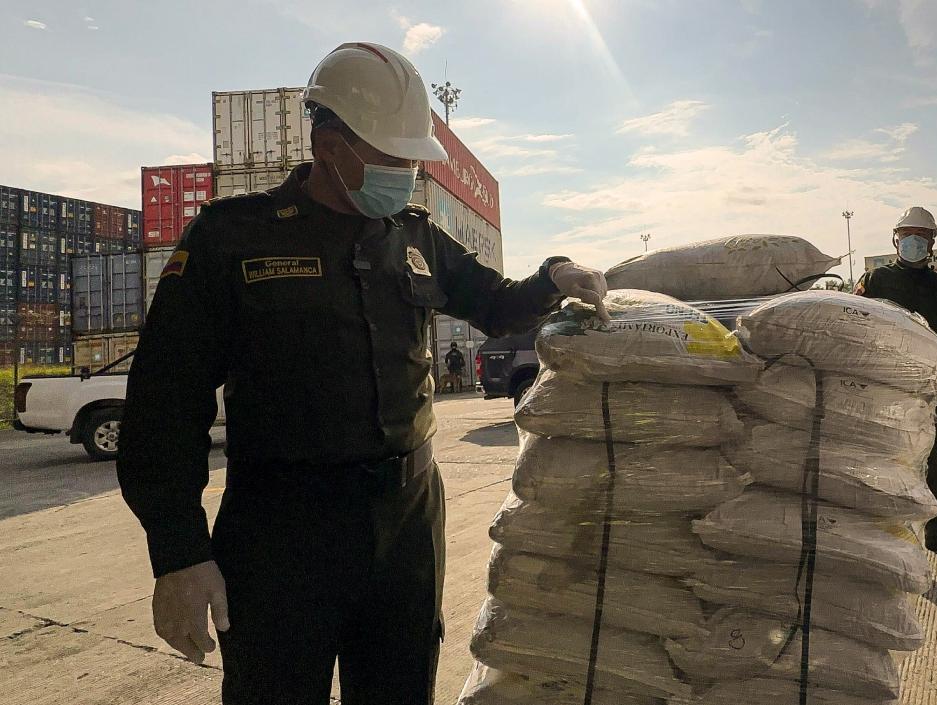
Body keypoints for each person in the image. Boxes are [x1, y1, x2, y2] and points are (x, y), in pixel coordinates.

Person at [116, 42, 609, 705]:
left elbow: (495, 302)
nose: (408, 171)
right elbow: (162, 402)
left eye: (412, 157)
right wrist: (178, 551)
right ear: (330, 144)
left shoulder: (413, 235)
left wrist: (556, 276)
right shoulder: (232, 239)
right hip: (282, 532)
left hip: (406, 523)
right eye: (393, 156)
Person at [855, 206, 937, 564]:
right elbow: (855, 327)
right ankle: (881, 534)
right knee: (880, 460)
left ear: (932, 243)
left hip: (929, 393)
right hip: (884, 387)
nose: (912, 242)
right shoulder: (876, 281)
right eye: (906, 235)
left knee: (931, 460)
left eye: (920, 236)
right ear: (895, 239)